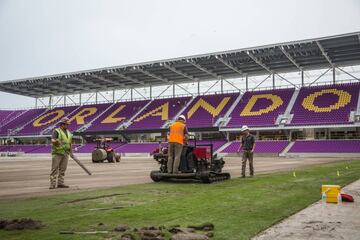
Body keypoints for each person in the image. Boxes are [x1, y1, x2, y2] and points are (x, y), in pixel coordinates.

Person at [49, 117, 73, 189]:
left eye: (67, 124)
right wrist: (56, 141)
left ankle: (60, 183)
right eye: (66, 124)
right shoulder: (56, 131)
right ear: (62, 124)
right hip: (57, 153)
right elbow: (52, 140)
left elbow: (70, 143)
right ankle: (52, 184)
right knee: (54, 169)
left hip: (66, 153)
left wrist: (71, 152)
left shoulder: (69, 133)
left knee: (63, 169)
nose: (67, 126)